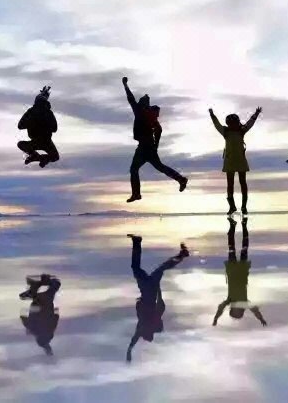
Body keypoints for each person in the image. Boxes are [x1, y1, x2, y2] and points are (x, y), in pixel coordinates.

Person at [122, 77, 188, 203]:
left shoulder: (139, 111)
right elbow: (159, 130)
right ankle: (181, 179)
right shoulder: (151, 116)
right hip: (149, 147)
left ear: (141, 103)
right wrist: (155, 145)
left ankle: (136, 194)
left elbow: (130, 98)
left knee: (134, 169)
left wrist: (125, 85)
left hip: (144, 147)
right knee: (160, 167)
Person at [126, 234, 189, 362]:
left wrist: (129, 351)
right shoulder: (145, 324)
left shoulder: (148, 323)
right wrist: (129, 351)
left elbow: (161, 304)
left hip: (151, 289)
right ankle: (137, 242)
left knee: (161, 268)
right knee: (141, 268)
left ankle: (182, 255)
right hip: (147, 289)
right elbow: (135, 338)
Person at [213, 217, 267, 327]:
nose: (238, 310)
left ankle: (233, 225)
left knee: (232, 247)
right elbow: (255, 310)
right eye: (239, 312)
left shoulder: (230, 300)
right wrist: (261, 319)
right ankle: (243, 225)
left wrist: (216, 319)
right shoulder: (244, 301)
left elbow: (221, 308)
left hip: (233, 270)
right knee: (243, 248)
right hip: (241, 271)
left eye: (236, 311)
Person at [208, 106, 262, 215]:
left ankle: (244, 207)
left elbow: (250, 123)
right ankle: (232, 206)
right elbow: (217, 125)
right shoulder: (225, 132)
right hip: (230, 161)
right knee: (230, 184)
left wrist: (256, 114)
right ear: (228, 124)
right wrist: (212, 115)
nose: (233, 125)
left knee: (243, 183)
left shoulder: (242, 131)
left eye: (234, 123)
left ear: (237, 123)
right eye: (231, 123)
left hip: (240, 160)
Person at [17, 86, 60, 168]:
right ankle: (37, 157)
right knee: (55, 157)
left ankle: (36, 156)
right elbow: (20, 125)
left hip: (43, 142)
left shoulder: (34, 112)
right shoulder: (46, 112)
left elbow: (54, 128)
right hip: (42, 142)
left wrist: (37, 123)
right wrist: (33, 122)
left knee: (21, 144)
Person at [19, 273, 61, 355]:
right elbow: (26, 321)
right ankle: (35, 287)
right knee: (48, 292)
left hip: (45, 304)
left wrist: (56, 313)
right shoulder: (35, 330)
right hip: (41, 305)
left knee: (54, 286)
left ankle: (35, 287)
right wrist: (23, 317)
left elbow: (55, 319)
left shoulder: (49, 331)